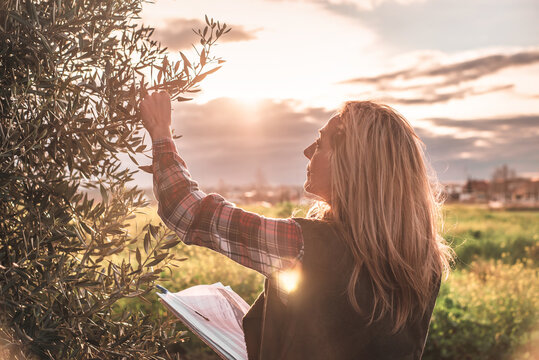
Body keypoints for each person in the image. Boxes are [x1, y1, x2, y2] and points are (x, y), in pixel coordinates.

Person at [139, 91, 453, 360]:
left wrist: (161, 132)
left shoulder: (305, 245)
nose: (307, 151)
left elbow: (186, 209)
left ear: (351, 161)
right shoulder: (427, 264)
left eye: (320, 142)